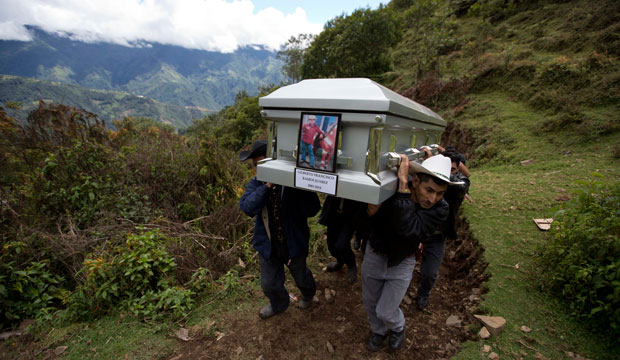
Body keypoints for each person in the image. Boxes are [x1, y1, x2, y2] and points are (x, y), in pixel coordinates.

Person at [361, 154, 461, 352]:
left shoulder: (441, 209)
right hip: (375, 254)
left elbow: (410, 231)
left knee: (386, 310)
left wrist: (403, 191)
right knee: (371, 303)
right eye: (429, 190)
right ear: (417, 181)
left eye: (440, 193)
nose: (432, 199)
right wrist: (371, 211)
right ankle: (378, 331)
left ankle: (398, 328)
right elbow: (369, 219)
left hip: (403, 261)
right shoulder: (388, 193)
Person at [239, 139, 321, 319]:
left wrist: (302, 185)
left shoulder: (293, 183)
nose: (260, 169)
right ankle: (279, 304)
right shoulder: (257, 184)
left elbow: (313, 209)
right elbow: (247, 207)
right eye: (257, 166)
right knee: (269, 284)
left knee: (301, 276)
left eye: (264, 164)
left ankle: (308, 294)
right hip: (268, 245)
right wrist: (267, 186)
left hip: (293, 243)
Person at [415, 150, 471, 311]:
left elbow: (461, 187)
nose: (433, 197)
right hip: (416, 232)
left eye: (452, 170)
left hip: (437, 237)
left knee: (430, 273)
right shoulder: (419, 185)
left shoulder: (458, 186)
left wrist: (439, 172)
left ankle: (424, 294)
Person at [318, 196, 365, 283]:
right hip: (333, 213)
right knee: (331, 246)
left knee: (341, 245)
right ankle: (340, 261)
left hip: (350, 216)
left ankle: (351, 265)